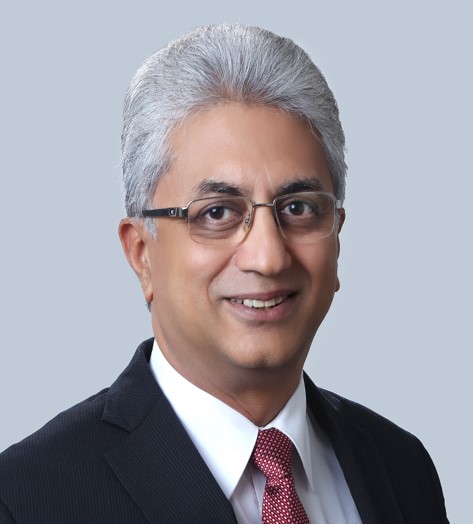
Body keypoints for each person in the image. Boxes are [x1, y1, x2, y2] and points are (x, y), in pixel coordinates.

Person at [0, 24, 448, 523]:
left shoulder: (402, 467)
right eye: (217, 213)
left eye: (299, 207)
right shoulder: (26, 499)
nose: (268, 257)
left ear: (337, 236)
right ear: (141, 253)